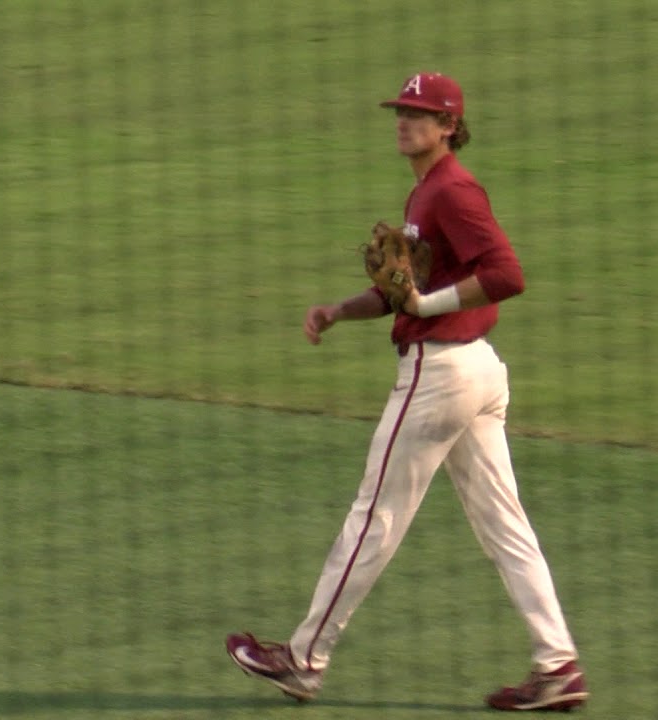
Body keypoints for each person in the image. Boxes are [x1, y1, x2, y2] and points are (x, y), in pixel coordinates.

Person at [225, 72, 588, 712]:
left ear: (449, 126)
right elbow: (403, 293)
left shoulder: (452, 191)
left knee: (375, 518)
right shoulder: (425, 193)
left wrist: (426, 304)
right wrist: (340, 310)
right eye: (401, 110)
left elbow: (506, 274)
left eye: (419, 114)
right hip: (474, 371)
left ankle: (303, 660)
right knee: (504, 525)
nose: (404, 121)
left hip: (441, 375)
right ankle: (557, 665)